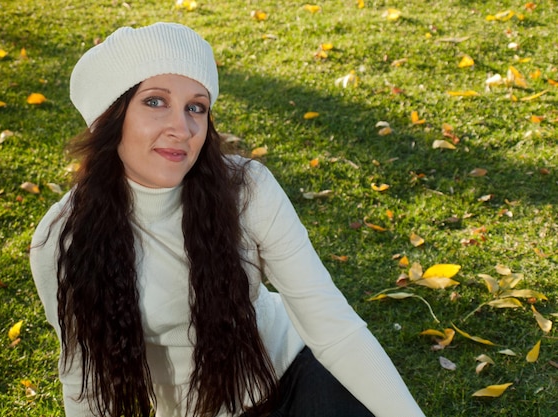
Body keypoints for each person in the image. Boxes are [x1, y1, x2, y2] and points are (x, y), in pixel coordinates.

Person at [30, 22, 425, 417]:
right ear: (108, 118)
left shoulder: (246, 190)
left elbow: (333, 326)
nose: (181, 129)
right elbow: (84, 378)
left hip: (296, 372)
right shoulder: (62, 239)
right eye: (155, 102)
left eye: (195, 107)